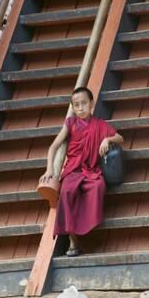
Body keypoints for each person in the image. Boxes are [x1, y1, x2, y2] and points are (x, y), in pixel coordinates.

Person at [39, 87, 124, 256]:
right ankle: (73, 241)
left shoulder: (99, 125)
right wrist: (50, 168)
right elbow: (53, 146)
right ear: (72, 107)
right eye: (76, 105)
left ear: (91, 104)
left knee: (98, 186)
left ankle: (87, 232)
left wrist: (107, 139)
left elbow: (120, 138)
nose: (80, 108)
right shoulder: (70, 123)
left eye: (84, 103)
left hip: (91, 170)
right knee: (67, 191)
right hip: (73, 170)